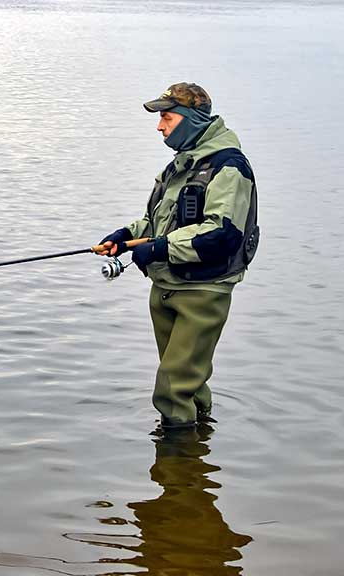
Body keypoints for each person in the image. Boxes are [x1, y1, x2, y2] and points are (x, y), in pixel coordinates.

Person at [99, 82, 259, 431]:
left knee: (172, 390)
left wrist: (157, 248)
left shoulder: (229, 167)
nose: (160, 126)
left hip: (202, 292)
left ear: (189, 120)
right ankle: (192, 465)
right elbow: (159, 221)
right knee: (189, 385)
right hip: (167, 285)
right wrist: (125, 236)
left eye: (166, 118)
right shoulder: (181, 165)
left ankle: (175, 464)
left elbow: (222, 233)